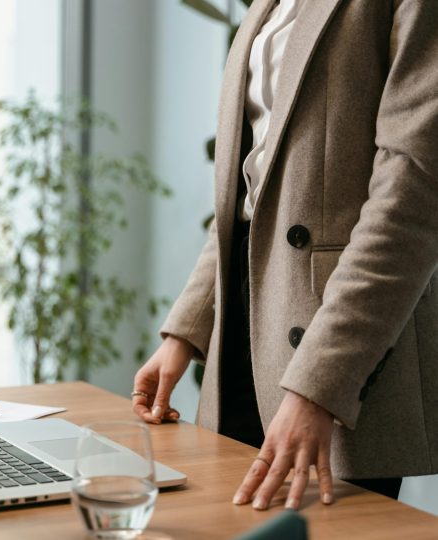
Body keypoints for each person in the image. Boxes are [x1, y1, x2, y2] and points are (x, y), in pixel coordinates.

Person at [132, 0, 438, 511]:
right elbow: (254, 195)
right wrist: (187, 329)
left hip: (340, 345)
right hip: (246, 331)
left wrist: (320, 384)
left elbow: (413, 191)